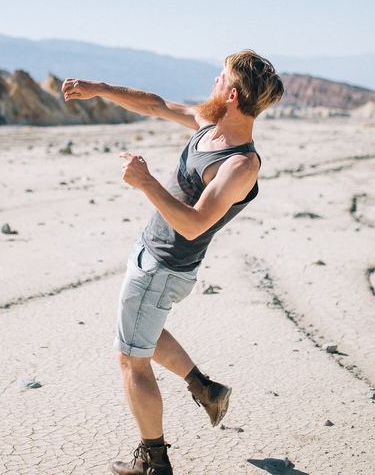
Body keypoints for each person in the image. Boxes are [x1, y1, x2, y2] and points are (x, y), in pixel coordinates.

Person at [62, 49, 285, 475]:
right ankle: (205, 388)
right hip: (150, 252)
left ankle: (154, 462)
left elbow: (194, 225)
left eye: (220, 79)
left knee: (131, 357)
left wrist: (145, 182)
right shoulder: (211, 127)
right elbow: (156, 104)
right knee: (142, 332)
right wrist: (100, 90)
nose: (213, 84)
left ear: (234, 95)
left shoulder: (240, 165)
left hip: (165, 267)